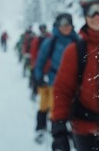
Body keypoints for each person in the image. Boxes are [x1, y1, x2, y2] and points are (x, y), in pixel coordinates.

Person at [51, 0, 99, 151]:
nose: (96, 15)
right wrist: (59, 129)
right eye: (90, 10)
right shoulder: (75, 51)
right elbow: (63, 90)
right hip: (84, 130)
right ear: (84, 15)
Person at [33, 13, 79, 144]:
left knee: (72, 108)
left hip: (73, 83)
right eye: (62, 25)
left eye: (68, 24)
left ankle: (73, 133)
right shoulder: (50, 42)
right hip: (54, 81)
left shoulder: (77, 41)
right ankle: (44, 129)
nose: (65, 27)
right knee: (52, 107)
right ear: (57, 26)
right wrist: (39, 77)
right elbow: (40, 61)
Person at [29, 23, 51, 101]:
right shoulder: (37, 40)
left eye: (43, 29)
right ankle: (35, 93)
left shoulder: (51, 38)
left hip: (49, 65)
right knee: (37, 80)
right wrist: (35, 64)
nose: (43, 30)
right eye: (41, 29)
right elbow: (33, 53)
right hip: (39, 64)